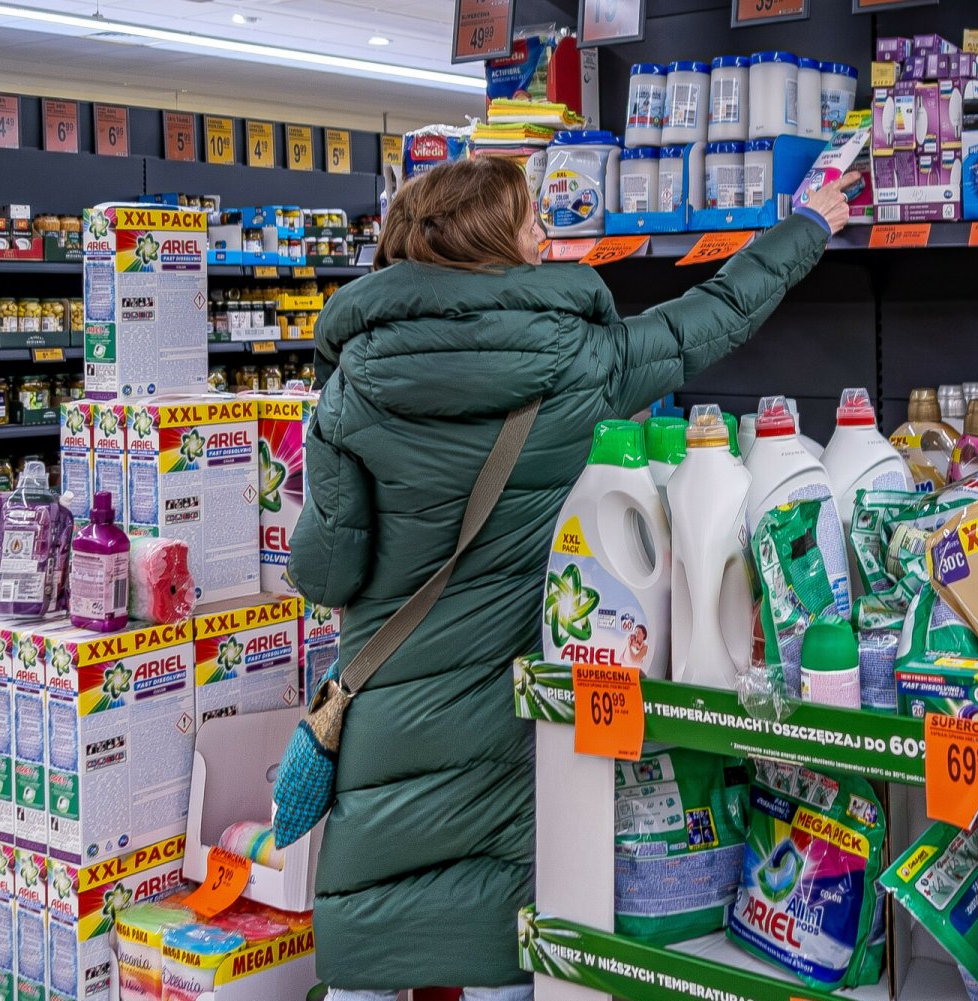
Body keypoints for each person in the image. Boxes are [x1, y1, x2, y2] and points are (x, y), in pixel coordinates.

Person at [288, 155, 856, 1001]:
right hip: (515, 721)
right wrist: (809, 225)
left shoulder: (348, 391)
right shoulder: (583, 362)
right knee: (508, 947)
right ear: (495, 240)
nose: (545, 238)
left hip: (389, 716)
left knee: (376, 945)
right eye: (530, 224)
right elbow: (713, 314)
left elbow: (325, 571)